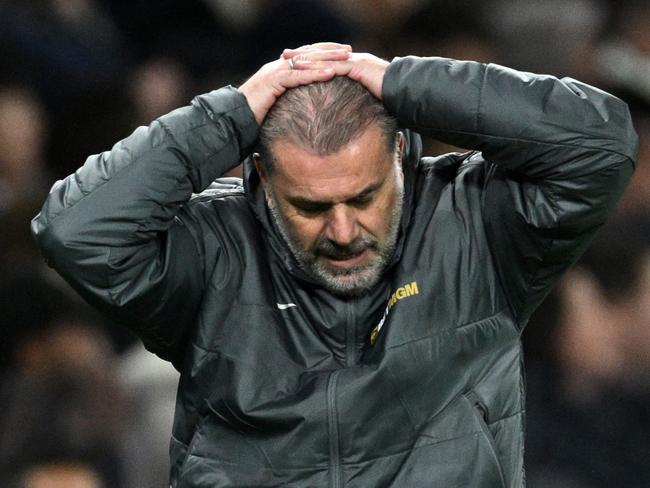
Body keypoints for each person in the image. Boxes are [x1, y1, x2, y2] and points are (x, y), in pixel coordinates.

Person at [31, 43, 638, 487]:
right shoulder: (213, 248)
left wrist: (403, 83)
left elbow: (602, 146)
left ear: (401, 152)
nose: (344, 231)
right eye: (311, 206)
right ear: (261, 178)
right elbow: (74, 230)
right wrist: (233, 114)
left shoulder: (477, 223)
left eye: (364, 197)